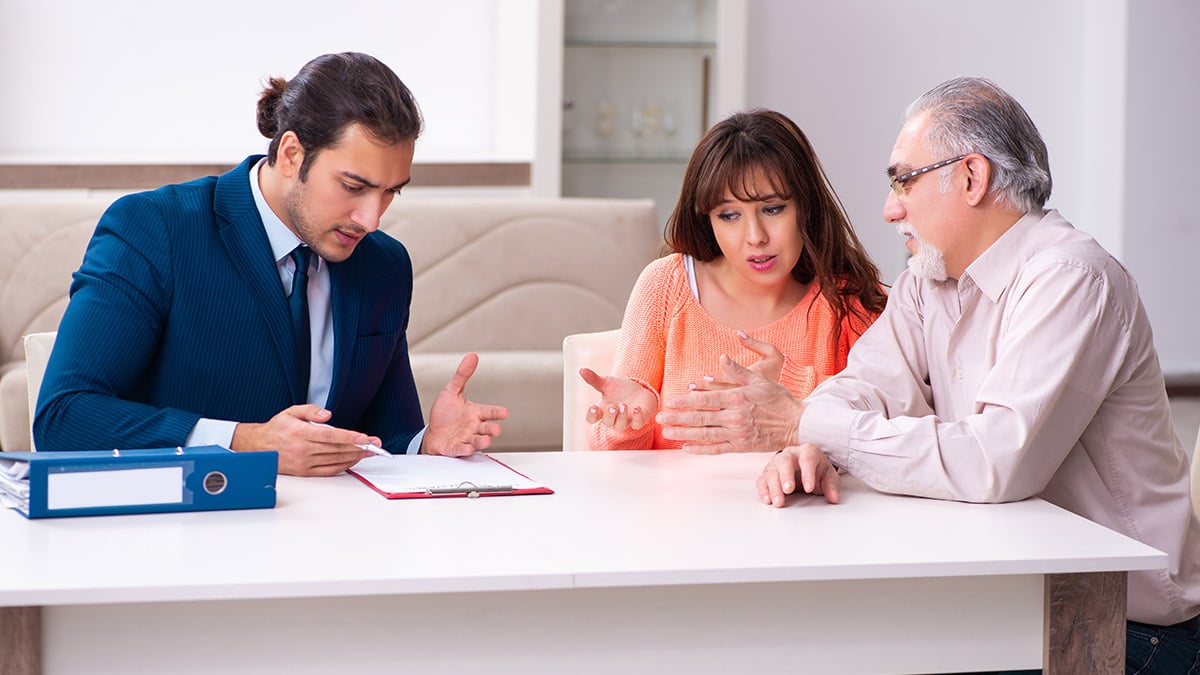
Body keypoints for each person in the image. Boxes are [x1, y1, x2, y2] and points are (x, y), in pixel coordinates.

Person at [656, 76, 1200, 671]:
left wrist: (804, 423)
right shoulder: (928, 279)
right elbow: (864, 387)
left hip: (1123, 625)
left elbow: (994, 464)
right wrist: (812, 439)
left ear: (972, 177)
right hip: (1012, 592)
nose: (890, 209)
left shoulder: (1071, 279)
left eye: (903, 181)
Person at [33, 52, 508, 476]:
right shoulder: (156, 228)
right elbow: (64, 417)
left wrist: (428, 444)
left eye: (390, 192)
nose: (371, 218)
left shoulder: (383, 265)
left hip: (339, 544)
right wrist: (244, 442)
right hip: (184, 533)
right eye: (353, 186)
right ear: (290, 154)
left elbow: (380, 439)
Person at [580, 109, 885, 450]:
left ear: (807, 207)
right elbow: (612, 460)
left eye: (772, 209)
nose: (755, 237)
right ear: (706, 219)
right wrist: (627, 425)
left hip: (799, 504)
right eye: (729, 215)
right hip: (675, 503)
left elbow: (889, 426)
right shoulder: (665, 286)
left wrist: (789, 383)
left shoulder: (851, 300)